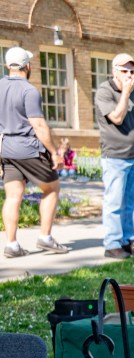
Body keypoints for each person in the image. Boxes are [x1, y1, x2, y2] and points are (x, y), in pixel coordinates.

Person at [0, 47, 70, 258]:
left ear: (7, 66)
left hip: (7, 149)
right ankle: (45, 238)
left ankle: (11, 245)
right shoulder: (29, 91)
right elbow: (39, 125)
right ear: (27, 66)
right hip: (29, 149)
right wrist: (55, 153)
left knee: (13, 196)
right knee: (52, 188)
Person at [95, 53, 134, 260]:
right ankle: (112, 244)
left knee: (132, 202)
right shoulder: (104, 91)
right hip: (115, 156)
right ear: (114, 71)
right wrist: (125, 92)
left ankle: (128, 241)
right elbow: (116, 118)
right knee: (114, 202)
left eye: (131, 71)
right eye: (124, 70)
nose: (128, 75)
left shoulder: (133, 92)